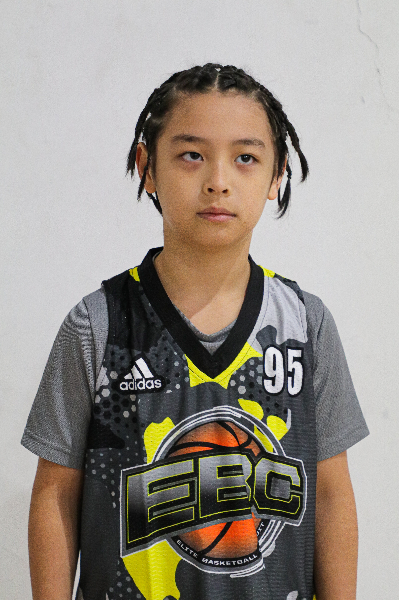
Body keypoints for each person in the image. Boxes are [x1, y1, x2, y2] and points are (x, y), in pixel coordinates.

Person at [22, 63, 369, 600]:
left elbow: (332, 495)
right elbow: (54, 495)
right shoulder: (98, 324)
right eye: (191, 155)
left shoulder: (305, 324)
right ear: (148, 168)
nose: (218, 181)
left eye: (246, 158)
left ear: (276, 175)